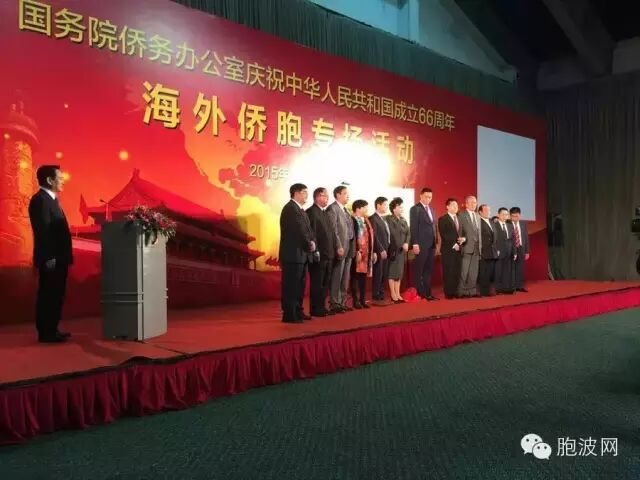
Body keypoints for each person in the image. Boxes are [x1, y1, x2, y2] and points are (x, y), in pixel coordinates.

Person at [28, 165, 73, 343]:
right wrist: (49, 257)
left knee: (56, 295)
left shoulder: (51, 200)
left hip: (59, 258)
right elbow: (43, 231)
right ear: (49, 180)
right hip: (51, 258)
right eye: (60, 178)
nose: (63, 181)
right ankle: (46, 333)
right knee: (48, 295)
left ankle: (52, 329)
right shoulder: (40, 200)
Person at [279, 183, 316, 323]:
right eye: (304, 192)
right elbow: (298, 230)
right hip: (292, 254)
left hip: (302, 254)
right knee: (291, 286)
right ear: (296, 193)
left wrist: (312, 242)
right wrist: (309, 243)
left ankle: (298, 311)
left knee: (300, 285)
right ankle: (290, 314)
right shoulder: (290, 209)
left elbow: (308, 230)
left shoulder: (300, 210)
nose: (307, 195)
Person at [326, 185, 356, 314]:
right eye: (345, 193)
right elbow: (333, 230)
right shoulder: (332, 209)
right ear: (338, 195)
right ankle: (335, 302)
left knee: (345, 277)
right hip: (340, 247)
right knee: (337, 275)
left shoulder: (345, 210)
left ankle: (342, 301)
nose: (348, 196)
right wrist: (338, 245)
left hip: (349, 247)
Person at [306, 187, 335, 317]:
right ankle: (315, 308)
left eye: (327, 196)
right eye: (324, 196)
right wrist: (315, 251)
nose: (327, 198)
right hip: (319, 254)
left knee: (325, 282)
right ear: (317, 197)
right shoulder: (311, 212)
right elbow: (312, 234)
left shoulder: (324, 213)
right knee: (317, 282)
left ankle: (321, 306)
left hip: (328, 254)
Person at [409, 187, 439, 301]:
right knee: (419, 270)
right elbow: (413, 227)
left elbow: (433, 226)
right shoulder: (415, 209)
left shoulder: (432, 209)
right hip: (421, 244)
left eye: (430, 197)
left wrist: (436, 242)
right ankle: (420, 293)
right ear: (421, 196)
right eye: (426, 197)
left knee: (428, 270)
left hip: (431, 244)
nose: (428, 199)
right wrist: (415, 243)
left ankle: (428, 293)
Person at [350, 199, 376, 309]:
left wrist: (373, 251)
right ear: (358, 208)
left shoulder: (366, 220)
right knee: (355, 277)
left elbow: (371, 237)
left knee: (363, 278)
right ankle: (355, 300)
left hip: (367, 253)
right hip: (357, 253)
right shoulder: (352, 220)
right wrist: (357, 250)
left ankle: (362, 299)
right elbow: (352, 237)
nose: (367, 209)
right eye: (365, 207)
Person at [438, 198, 464, 299]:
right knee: (448, 271)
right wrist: (455, 244)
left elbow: (463, 232)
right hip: (448, 249)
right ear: (447, 207)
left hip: (459, 249)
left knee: (457, 271)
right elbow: (444, 234)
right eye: (453, 205)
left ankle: (456, 291)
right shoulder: (443, 219)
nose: (456, 207)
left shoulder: (459, 218)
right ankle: (448, 293)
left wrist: (463, 240)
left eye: (456, 205)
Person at [386, 197, 410, 303]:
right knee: (392, 272)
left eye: (402, 207)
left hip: (402, 250)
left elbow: (408, 233)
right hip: (394, 249)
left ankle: (398, 293)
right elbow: (393, 234)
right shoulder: (389, 219)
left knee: (399, 272)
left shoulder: (403, 219)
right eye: (399, 207)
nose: (401, 208)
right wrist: (400, 244)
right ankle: (393, 294)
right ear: (394, 208)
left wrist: (406, 243)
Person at [457, 195, 481, 298]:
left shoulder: (478, 216)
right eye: (471, 202)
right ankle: (462, 291)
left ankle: (472, 291)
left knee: (474, 271)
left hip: (476, 248)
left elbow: (479, 233)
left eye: (475, 202)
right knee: (464, 271)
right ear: (466, 204)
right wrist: (461, 242)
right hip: (466, 247)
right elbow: (459, 231)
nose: (473, 204)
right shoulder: (461, 215)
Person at [369, 196, 391, 303]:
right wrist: (381, 249)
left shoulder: (384, 218)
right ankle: (376, 294)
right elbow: (375, 236)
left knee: (383, 273)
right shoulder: (373, 218)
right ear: (378, 205)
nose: (387, 207)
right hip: (379, 250)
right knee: (378, 272)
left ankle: (381, 293)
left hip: (387, 249)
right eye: (385, 205)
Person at [478, 204, 498, 297]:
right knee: (483, 273)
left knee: (489, 273)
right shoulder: (478, 222)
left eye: (489, 210)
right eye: (486, 210)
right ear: (480, 212)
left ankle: (488, 290)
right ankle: (483, 292)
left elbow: (495, 237)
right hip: (483, 251)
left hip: (492, 251)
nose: (488, 212)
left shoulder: (491, 221)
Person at [495, 207, 515, 294]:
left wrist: (514, 252)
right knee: (498, 270)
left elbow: (513, 240)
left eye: (506, 214)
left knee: (507, 270)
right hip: (499, 251)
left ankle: (506, 288)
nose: (504, 216)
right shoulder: (494, 225)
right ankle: (498, 289)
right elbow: (493, 239)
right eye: (503, 214)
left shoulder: (510, 226)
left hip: (509, 251)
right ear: (498, 215)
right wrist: (496, 249)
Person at [509, 207, 530, 292]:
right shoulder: (507, 224)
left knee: (520, 268)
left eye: (516, 216)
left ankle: (519, 286)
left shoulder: (523, 224)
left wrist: (527, 251)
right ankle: (512, 286)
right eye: (513, 216)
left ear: (520, 215)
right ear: (510, 216)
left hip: (521, 248)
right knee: (512, 268)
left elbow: (526, 238)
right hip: (511, 248)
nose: (515, 218)